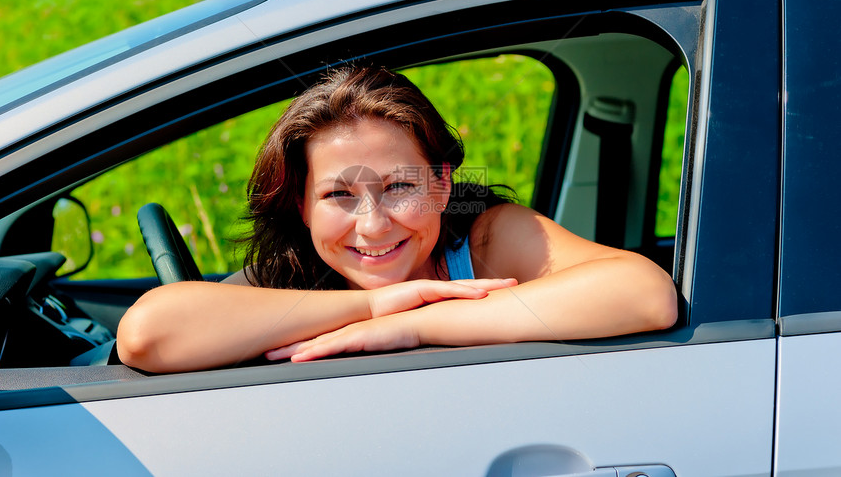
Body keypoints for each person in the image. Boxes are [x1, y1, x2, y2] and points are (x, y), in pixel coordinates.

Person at [116, 66, 677, 373]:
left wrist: (414, 325)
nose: (373, 225)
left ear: (442, 185)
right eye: (337, 194)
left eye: (400, 187)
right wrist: (373, 305)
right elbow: (146, 336)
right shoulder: (298, 271)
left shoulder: (487, 239)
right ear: (301, 206)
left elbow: (644, 294)